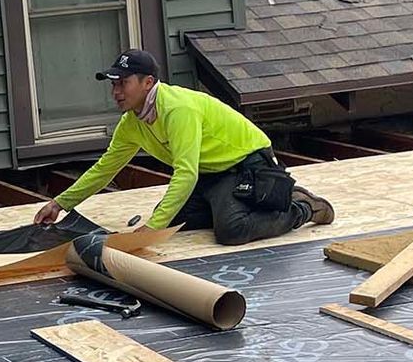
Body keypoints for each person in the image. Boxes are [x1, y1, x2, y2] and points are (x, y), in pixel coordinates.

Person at [34, 49, 333, 245]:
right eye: (113, 85)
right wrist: (59, 204)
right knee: (175, 221)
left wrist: (150, 230)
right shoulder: (132, 123)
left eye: (122, 84)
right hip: (210, 172)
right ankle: (229, 204)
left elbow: (185, 174)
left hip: (245, 164)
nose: (115, 92)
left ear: (148, 82)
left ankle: (302, 207)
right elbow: (105, 169)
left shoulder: (177, 110)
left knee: (231, 231)